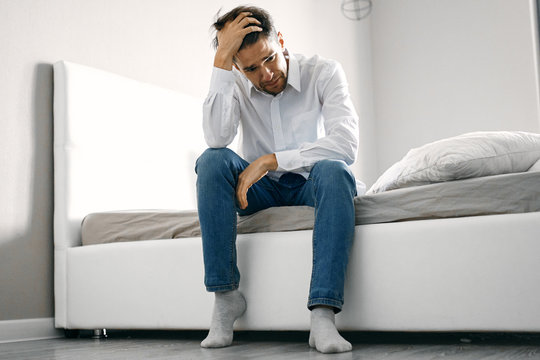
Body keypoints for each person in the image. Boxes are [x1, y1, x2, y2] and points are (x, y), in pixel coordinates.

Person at [195, 5, 361, 354]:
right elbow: (216, 138)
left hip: (309, 182)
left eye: (270, 58)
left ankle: (323, 315)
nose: (267, 73)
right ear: (238, 66)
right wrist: (222, 62)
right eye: (251, 68)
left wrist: (272, 161)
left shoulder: (324, 71)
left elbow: (346, 143)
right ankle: (226, 298)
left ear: (281, 42)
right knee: (211, 162)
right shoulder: (235, 82)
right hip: (257, 192)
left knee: (335, 170)